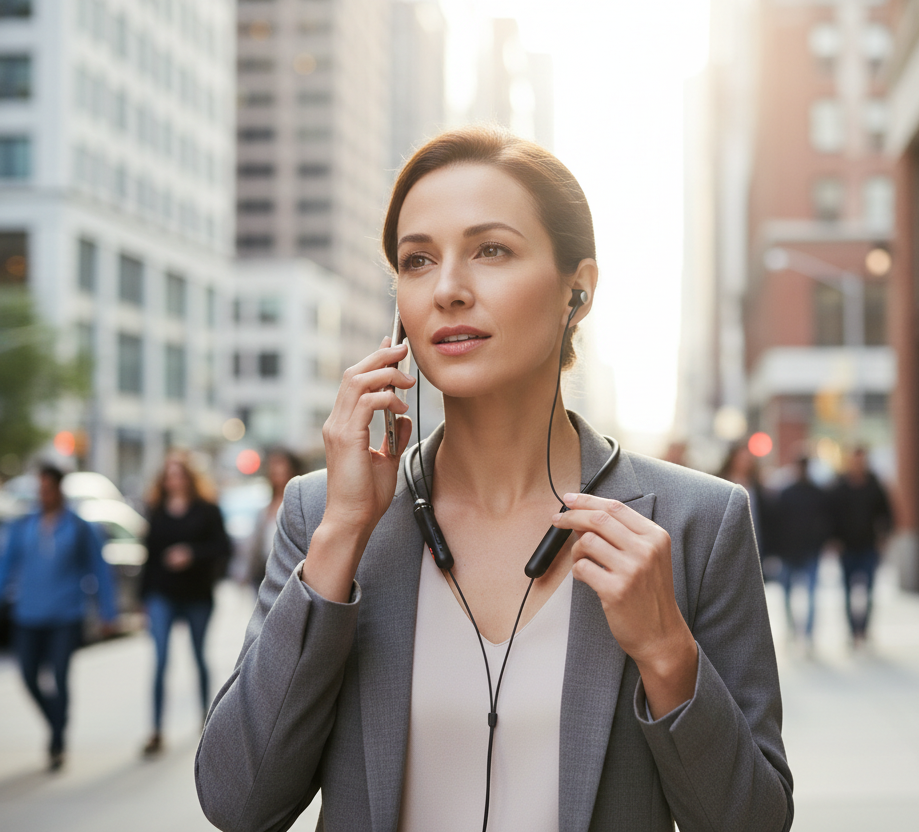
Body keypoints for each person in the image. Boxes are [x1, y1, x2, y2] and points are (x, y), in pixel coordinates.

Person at [196, 126, 793, 832]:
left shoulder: (697, 523)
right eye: (417, 261)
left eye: (491, 250)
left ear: (579, 290)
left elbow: (753, 822)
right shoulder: (323, 515)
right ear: (399, 313)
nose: (448, 289)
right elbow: (239, 802)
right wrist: (341, 537)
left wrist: (667, 651)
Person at [0, 464, 118, 770]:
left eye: (48, 489)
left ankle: (57, 740)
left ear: (59, 489)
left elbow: (99, 570)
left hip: (66, 614)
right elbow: (5, 567)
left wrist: (108, 611)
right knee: (28, 675)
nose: (43, 495)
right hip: (28, 614)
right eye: (39, 490)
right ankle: (56, 720)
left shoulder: (78, 527)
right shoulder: (24, 526)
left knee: (60, 678)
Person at [139, 451, 230, 757]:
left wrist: (191, 553)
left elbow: (223, 548)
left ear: (189, 478)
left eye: (178, 474)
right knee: (161, 659)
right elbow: (148, 557)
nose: (173, 480)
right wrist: (143, 599)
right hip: (162, 594)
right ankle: (155, 729)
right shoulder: (157, 511)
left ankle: (206, 719)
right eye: (169, 475)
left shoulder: (207, 510)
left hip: (197, 595)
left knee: (199, 657)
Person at [828, 446, 894, 647]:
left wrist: (883, 538)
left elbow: (887, 514)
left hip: (869, 547)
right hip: (847, 547)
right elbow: (831, 517)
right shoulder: (839, 486)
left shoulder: (875, 485)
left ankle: (864, 630)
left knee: (869, 592)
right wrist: (833, 540)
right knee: (848, 592)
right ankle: (852, 631)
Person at [772, 457, 829, 647]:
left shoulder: (816, 493)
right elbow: (778, 523)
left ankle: (806, 633)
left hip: (808, 550)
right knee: (789, 594)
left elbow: (825, 522)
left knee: (809, 594)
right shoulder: (787, 493)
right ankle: (794, 631)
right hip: (791, 551)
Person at [242, 448, 304, 591]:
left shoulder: (301, 503)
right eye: (272, 465)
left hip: (291, 575)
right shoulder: (266, 507)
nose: (276, 470)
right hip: (264, 573)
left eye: (280, 464)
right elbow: (257, 544)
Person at [717, 441, 771, 568]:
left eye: (748, 459)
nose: (745, 463)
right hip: (726, 541)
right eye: (741, 458)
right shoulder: (720, 483)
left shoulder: (757, 487)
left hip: (754, 541)